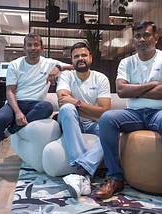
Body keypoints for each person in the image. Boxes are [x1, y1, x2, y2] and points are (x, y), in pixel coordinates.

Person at [95, 20, 162, 214]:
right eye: (137, 36)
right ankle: (115, 178)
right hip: (134, 114)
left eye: (146, 35)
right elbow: (121, 91)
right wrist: (153, 84)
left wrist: (135, 90)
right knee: (107, 119)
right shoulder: (126, 62)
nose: (142, 39)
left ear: (155, 38)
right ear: (133, 41)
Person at [0, 33, 73, 184]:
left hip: (36, 104)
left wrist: (58, 68)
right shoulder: (16, 64)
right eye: (29, 45)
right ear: (24, 47)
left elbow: (74, 66)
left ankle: (6, 133)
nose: (33, 48)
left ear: (42, 48)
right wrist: (18, 112)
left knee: (47, 106)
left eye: (36, 45)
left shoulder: (49, 63)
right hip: (16, 102)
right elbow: (10, 92)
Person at [57, 42, 111, 200]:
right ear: (72, 61)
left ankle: (81, 175)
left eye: (83, 55)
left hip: (92, 123)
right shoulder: (66, 75)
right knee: (67, 109)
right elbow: (63, 102)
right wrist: (92, 112)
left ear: (90, 58)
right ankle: (84, 171)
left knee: (112, 128)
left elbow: (105, 112)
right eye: (76, 56)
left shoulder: (101, 79)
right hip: (70, 120)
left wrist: (77, 103)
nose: (80, 58)